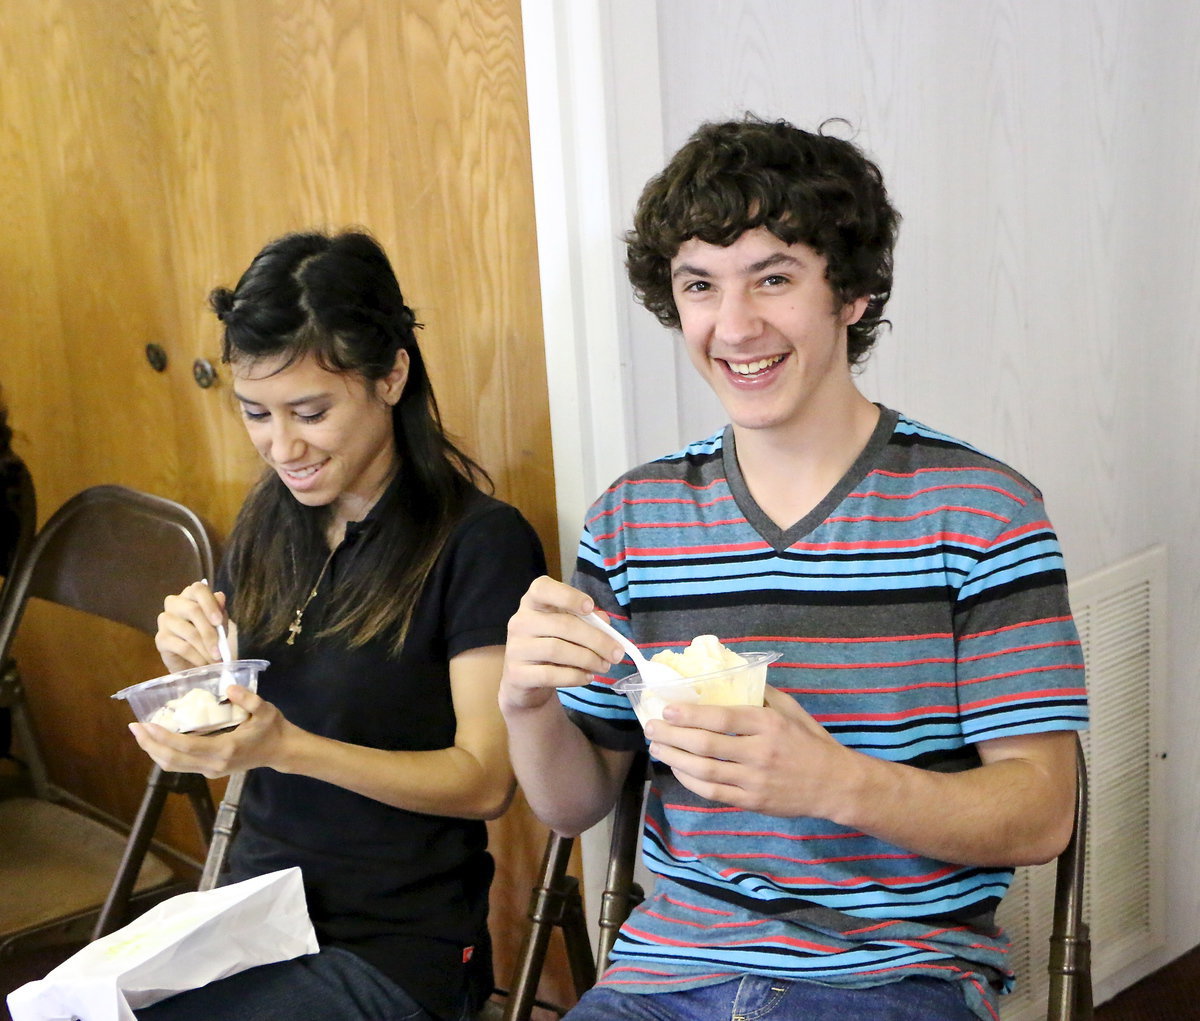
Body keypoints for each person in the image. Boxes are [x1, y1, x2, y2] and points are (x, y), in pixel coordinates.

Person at [499, 116, 1087, 1021]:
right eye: (701, 285)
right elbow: (576, 804)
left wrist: (831, 782)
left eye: (774, 278)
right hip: (667, 973)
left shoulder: (980, 511)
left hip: (896, 976)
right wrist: (526, 703)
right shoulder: (632, 521)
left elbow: (1044, 812)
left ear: (849, 294)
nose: (734, 327)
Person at [129, 230, 546, 1021]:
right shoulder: (270, 518)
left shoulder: (479, 542)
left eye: (311, 411)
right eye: (256, 412)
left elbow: (485, 781)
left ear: (391, 375)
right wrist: (191, 654)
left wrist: (286, 747)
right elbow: (235, 706)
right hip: (252, 918)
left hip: (396, 942)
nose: (282, 446)